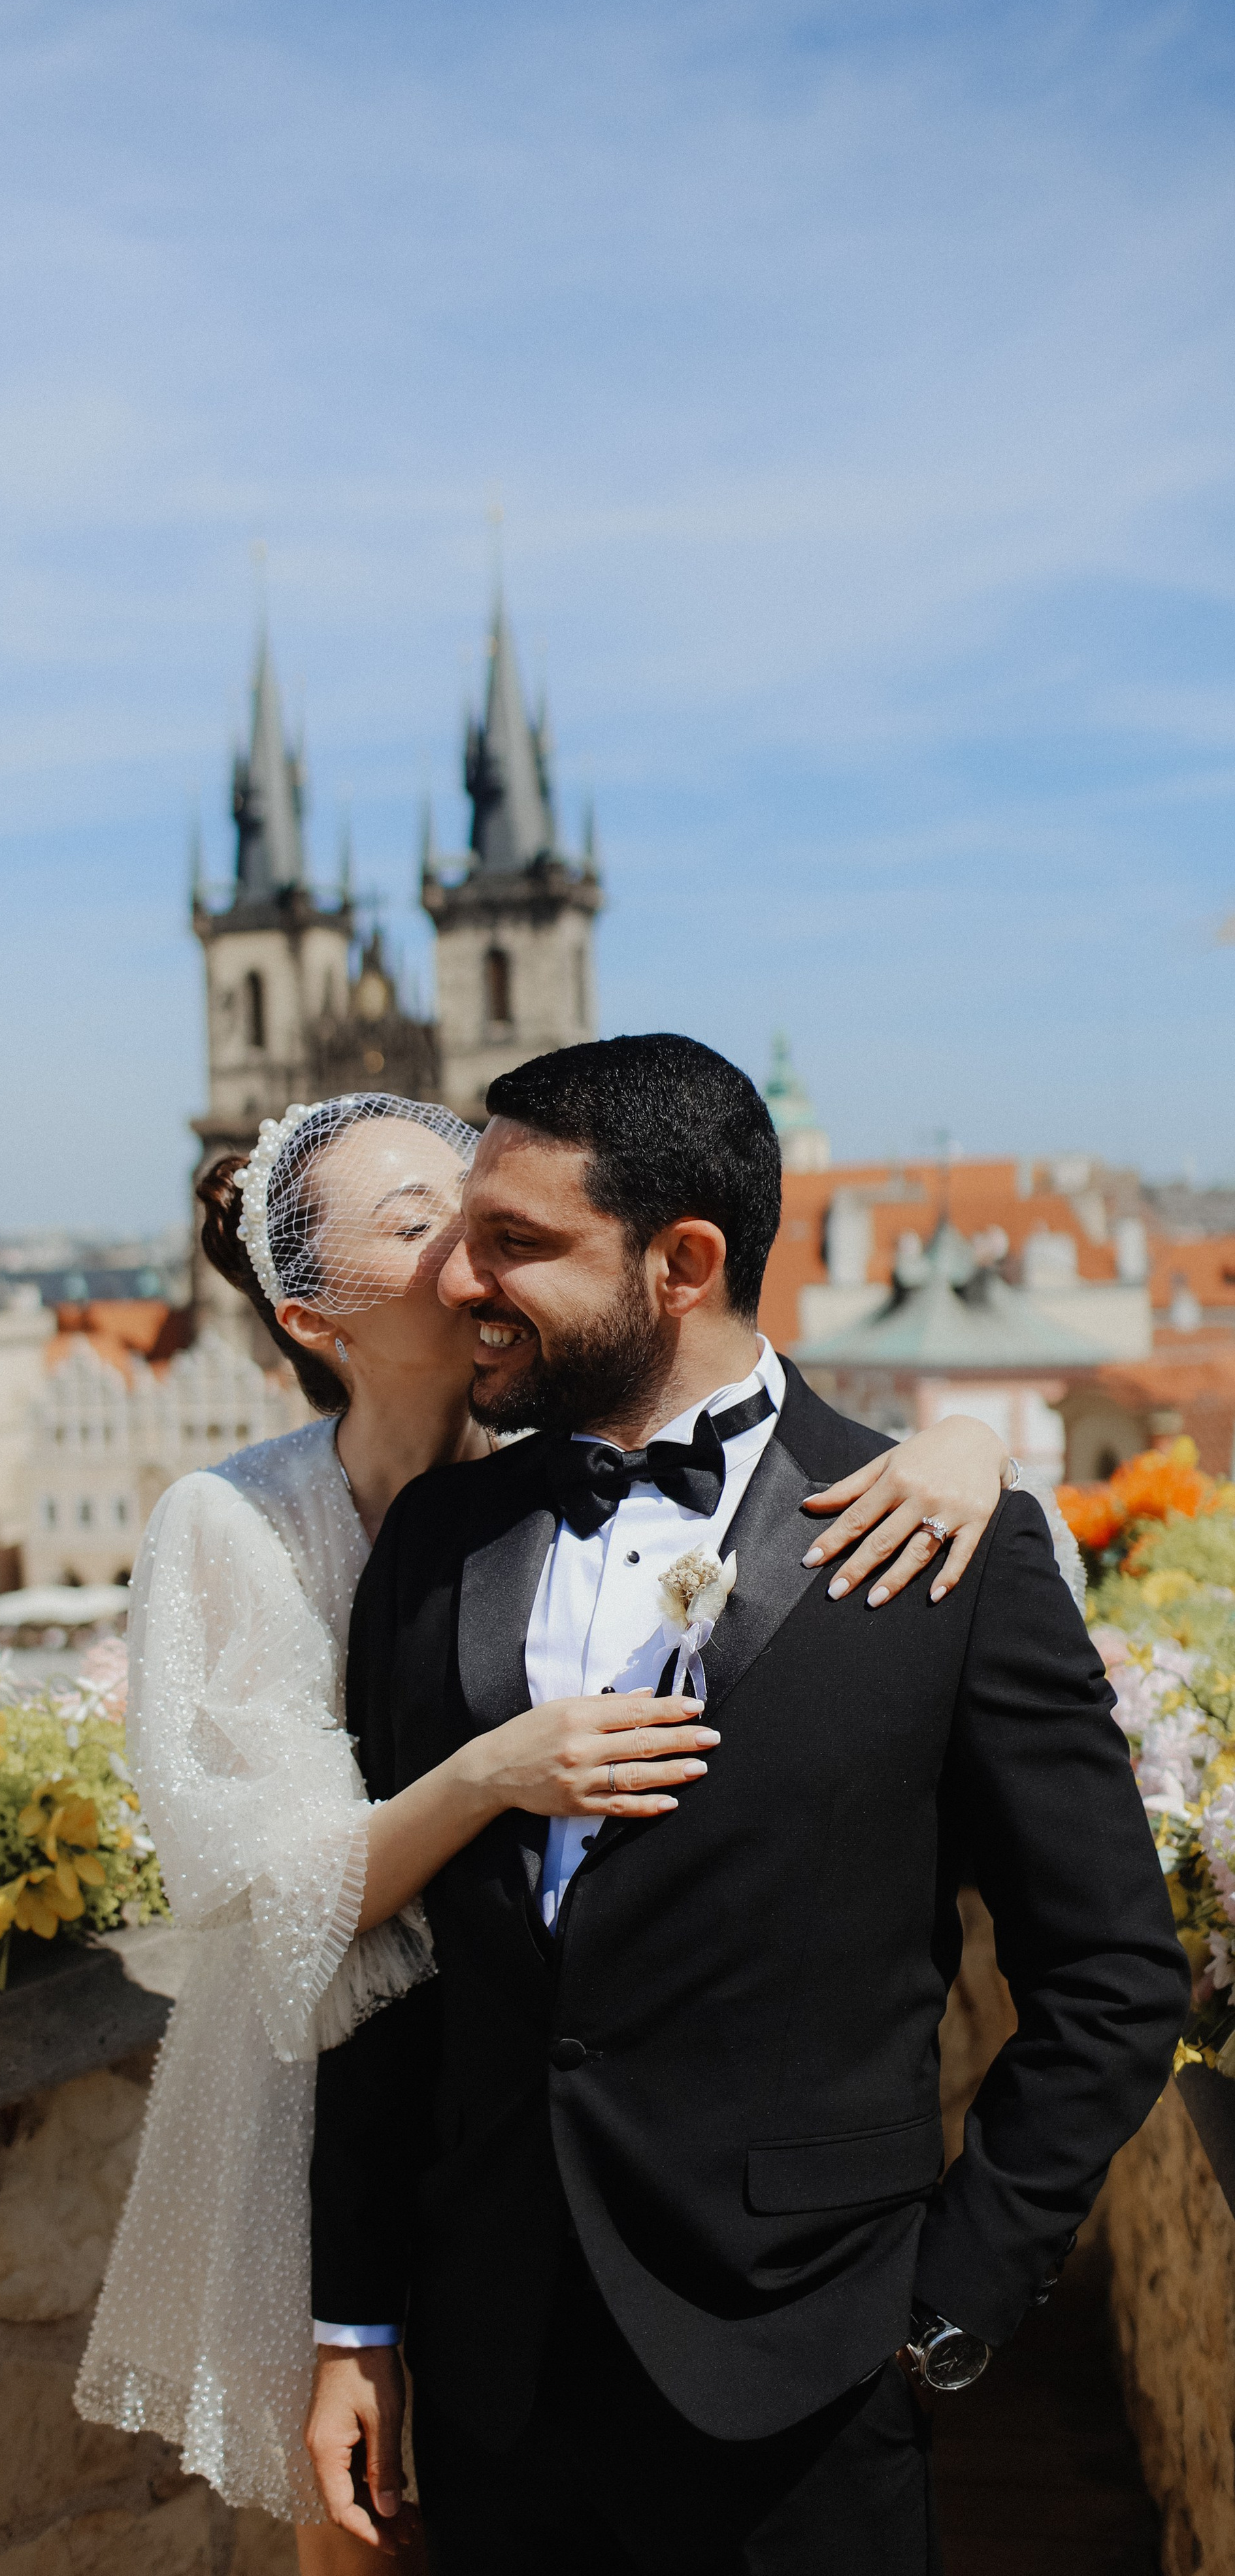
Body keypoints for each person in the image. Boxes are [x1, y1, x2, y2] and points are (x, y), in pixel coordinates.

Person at [76, 1089, 1017, 2571]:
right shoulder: (243, 1525)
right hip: (335, 2096)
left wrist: (967, 1443)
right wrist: (488, 1772)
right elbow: (291, 1912)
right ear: (316, 1321)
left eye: (487, 1209)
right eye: (424, 1224)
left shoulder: (570, 1445)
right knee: (366, 2543)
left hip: (615, 2168)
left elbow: (768, 1428)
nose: (473, 1246)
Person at [303, 1039, 1189, 2576]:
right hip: (492, 2374)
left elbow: (1111, 1980)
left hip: (811, 2376)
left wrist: (946, 2304)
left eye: (515, 1243)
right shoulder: (439, 1539)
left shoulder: (952, 1551)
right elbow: (393, 1979)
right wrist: (357, 2318)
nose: (461, 1283)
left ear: (682, 1263)